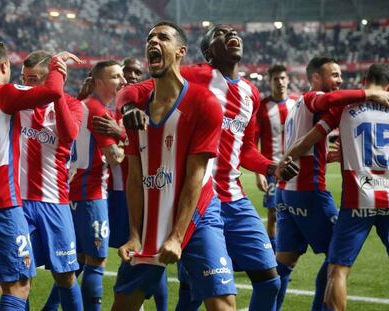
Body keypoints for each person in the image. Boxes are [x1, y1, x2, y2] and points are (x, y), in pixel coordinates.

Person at [118, 24, 299, 311]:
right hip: (192, 200)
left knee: (270, 280)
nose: (231, 36)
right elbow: (135, 91)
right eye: (220, 34)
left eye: (233, 33)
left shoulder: (251, 93)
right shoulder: (194, 77)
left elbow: (246, 148)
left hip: (234, 198)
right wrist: (128, 108)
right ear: (207, 52)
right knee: (193, 293)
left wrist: (271, 168)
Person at [112, 21, 237, 311]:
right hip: (151, 218)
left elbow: (195, 175)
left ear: (180, 51)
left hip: (196, 215)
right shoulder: (136, 111)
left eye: (163, 38)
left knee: (222, 305)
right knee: (124, 304)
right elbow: (135, 176)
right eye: (150, 38)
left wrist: (177, 236)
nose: (153, 42)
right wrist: (133, 233)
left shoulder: (204, 103)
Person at [273, 56, 389, 311]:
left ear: (365, 80)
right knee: (340, 261)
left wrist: (282, 164)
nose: (340, 82)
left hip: (292, 192)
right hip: (318, 190)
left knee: (288, 263)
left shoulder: (312, 106)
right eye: (334, 76)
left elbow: (307, 141)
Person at [0, 38, 79, 311]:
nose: (28, 85)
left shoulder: (71, 104)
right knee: (9, 277)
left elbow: (70, 134)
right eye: (24, 78)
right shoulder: (15, 103)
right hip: (16, 200)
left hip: (54, 200)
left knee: (64, 274)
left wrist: (57, 89)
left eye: (35, 79)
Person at [92, 57, 168, 311]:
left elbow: (153, 142)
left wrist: (120, 133)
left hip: (145, 191)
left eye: (137, 71)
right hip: (115, 192)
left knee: (146, 255)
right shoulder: (111, 109)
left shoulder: (151, 106)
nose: (133, 76)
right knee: (97, 255)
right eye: (128, 72)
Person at [69, 60, 126, 310]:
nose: (122, 82)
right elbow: (115, 156)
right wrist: (127, 140)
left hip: (74, 189)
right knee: (97, 260)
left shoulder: (82, 104)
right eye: (116, 77)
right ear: (100, 82)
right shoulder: (98, 109)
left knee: (78, 262)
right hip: (91, 192)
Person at [256, 64, 297, 252]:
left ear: (287, 80)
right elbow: (253, 142)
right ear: (270, 81)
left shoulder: (297, 104)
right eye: (275, 79)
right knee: (273, 213)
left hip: (295, 169)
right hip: (272, 169)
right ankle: (274, 254)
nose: (280, 82)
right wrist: (259, 173)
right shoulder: (263, 107)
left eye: (282, 78)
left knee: (296, 211)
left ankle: (290, 249)